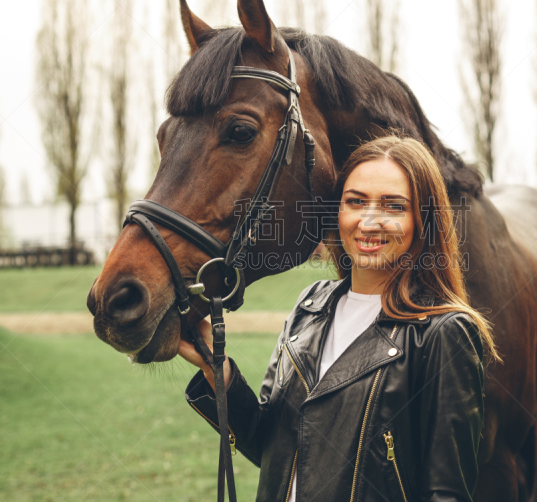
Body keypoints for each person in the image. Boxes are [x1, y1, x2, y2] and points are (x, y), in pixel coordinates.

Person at [178, 135, 500, 501]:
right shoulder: (310, 305)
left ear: (423, 220)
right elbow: (272, 446)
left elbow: (447, 492)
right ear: (338, 211)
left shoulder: (444, 332)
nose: (369, 221)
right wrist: (217, 373)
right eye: (356, 201)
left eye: (393, 206)